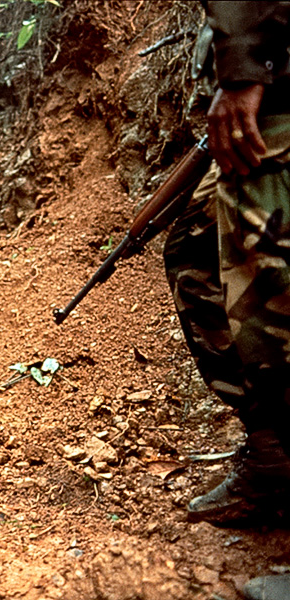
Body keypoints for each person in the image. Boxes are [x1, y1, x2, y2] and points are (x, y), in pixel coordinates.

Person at [163, 3, 290, 598]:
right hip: (266, 69)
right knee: (194, 249)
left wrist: (246, 68)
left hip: (272, 77)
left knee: (269, 282)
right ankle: (272, 453)